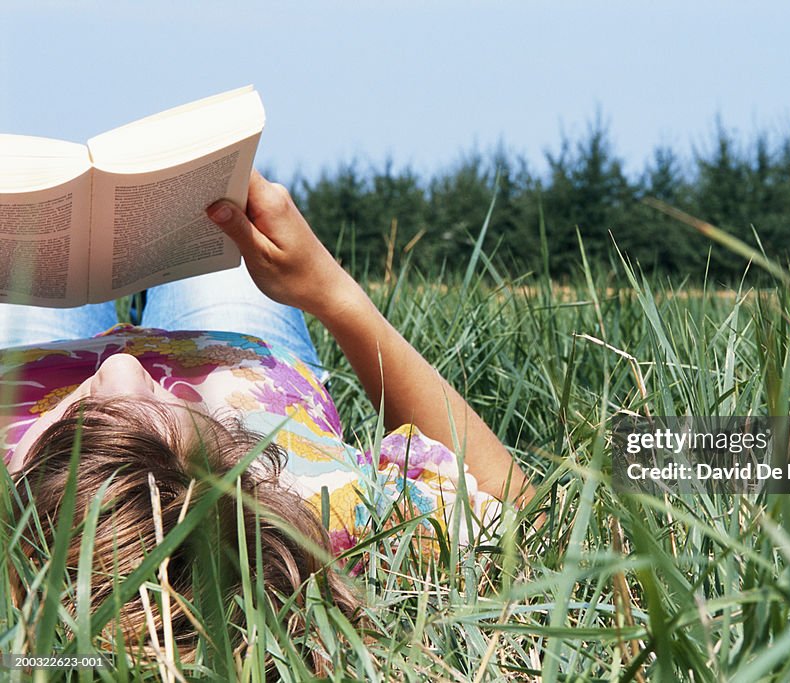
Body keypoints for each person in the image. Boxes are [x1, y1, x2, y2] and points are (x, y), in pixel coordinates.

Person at [0, 170, 534, 667]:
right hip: (233, 351)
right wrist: (333, 293)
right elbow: (515, 509)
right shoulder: (314, 513)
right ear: (238, 464)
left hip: (23, 359)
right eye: (172, 409)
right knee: (221, 216)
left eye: (78, 425)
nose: (122, 364)